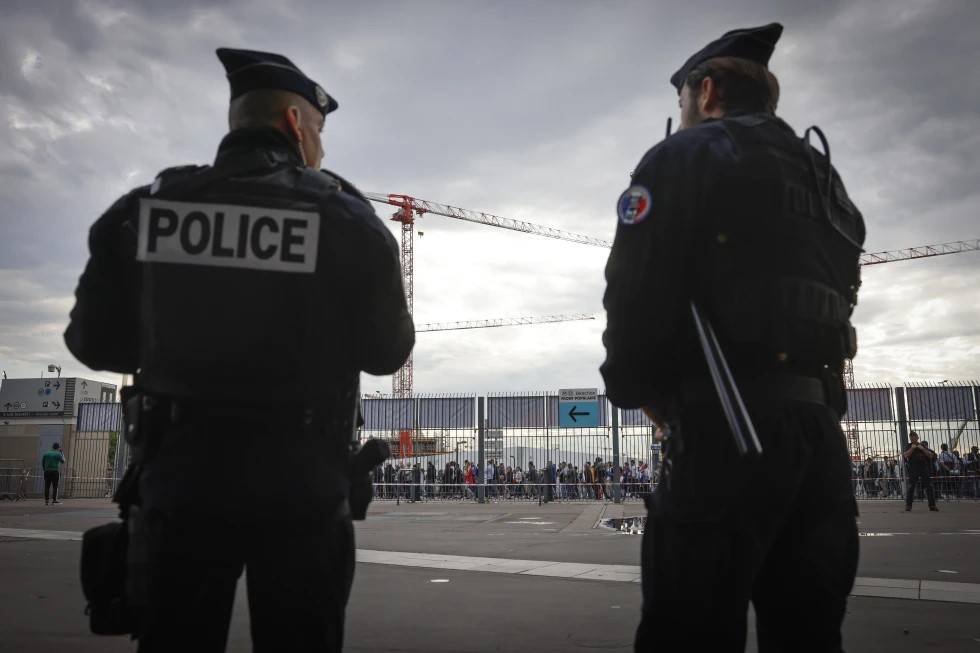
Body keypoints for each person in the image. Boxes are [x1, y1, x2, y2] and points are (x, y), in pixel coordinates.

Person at [64, 48, 414, 651]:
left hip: (180, 482)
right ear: (295, 126)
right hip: (303, 487)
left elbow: (93, 343)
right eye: (321, 133)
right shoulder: (343, 219)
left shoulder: (146, 212)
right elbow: (387, 352)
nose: (323, 151)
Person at [601, 23, 865, 651]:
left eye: (683, 103)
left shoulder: (682, 156)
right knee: (807, 632)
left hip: (724, 430)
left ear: (708, 90)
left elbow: (632, 290)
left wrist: (640, 391)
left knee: (687, 631)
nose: (684, 115)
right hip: (818, 438)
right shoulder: (826, 178)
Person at [903, 432, 938, 511]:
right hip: (913, 469)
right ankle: (908, 505)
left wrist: (922, 449)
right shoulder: (909, 446)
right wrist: (912, 448)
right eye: (911, 438)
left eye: (914, 437)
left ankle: (932, 505)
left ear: (917, 437)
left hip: (923, 468)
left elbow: (930, 455)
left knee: (929, 487)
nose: (913, 439)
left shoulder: (922, 446)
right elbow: (905, 455)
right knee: (911, 487)